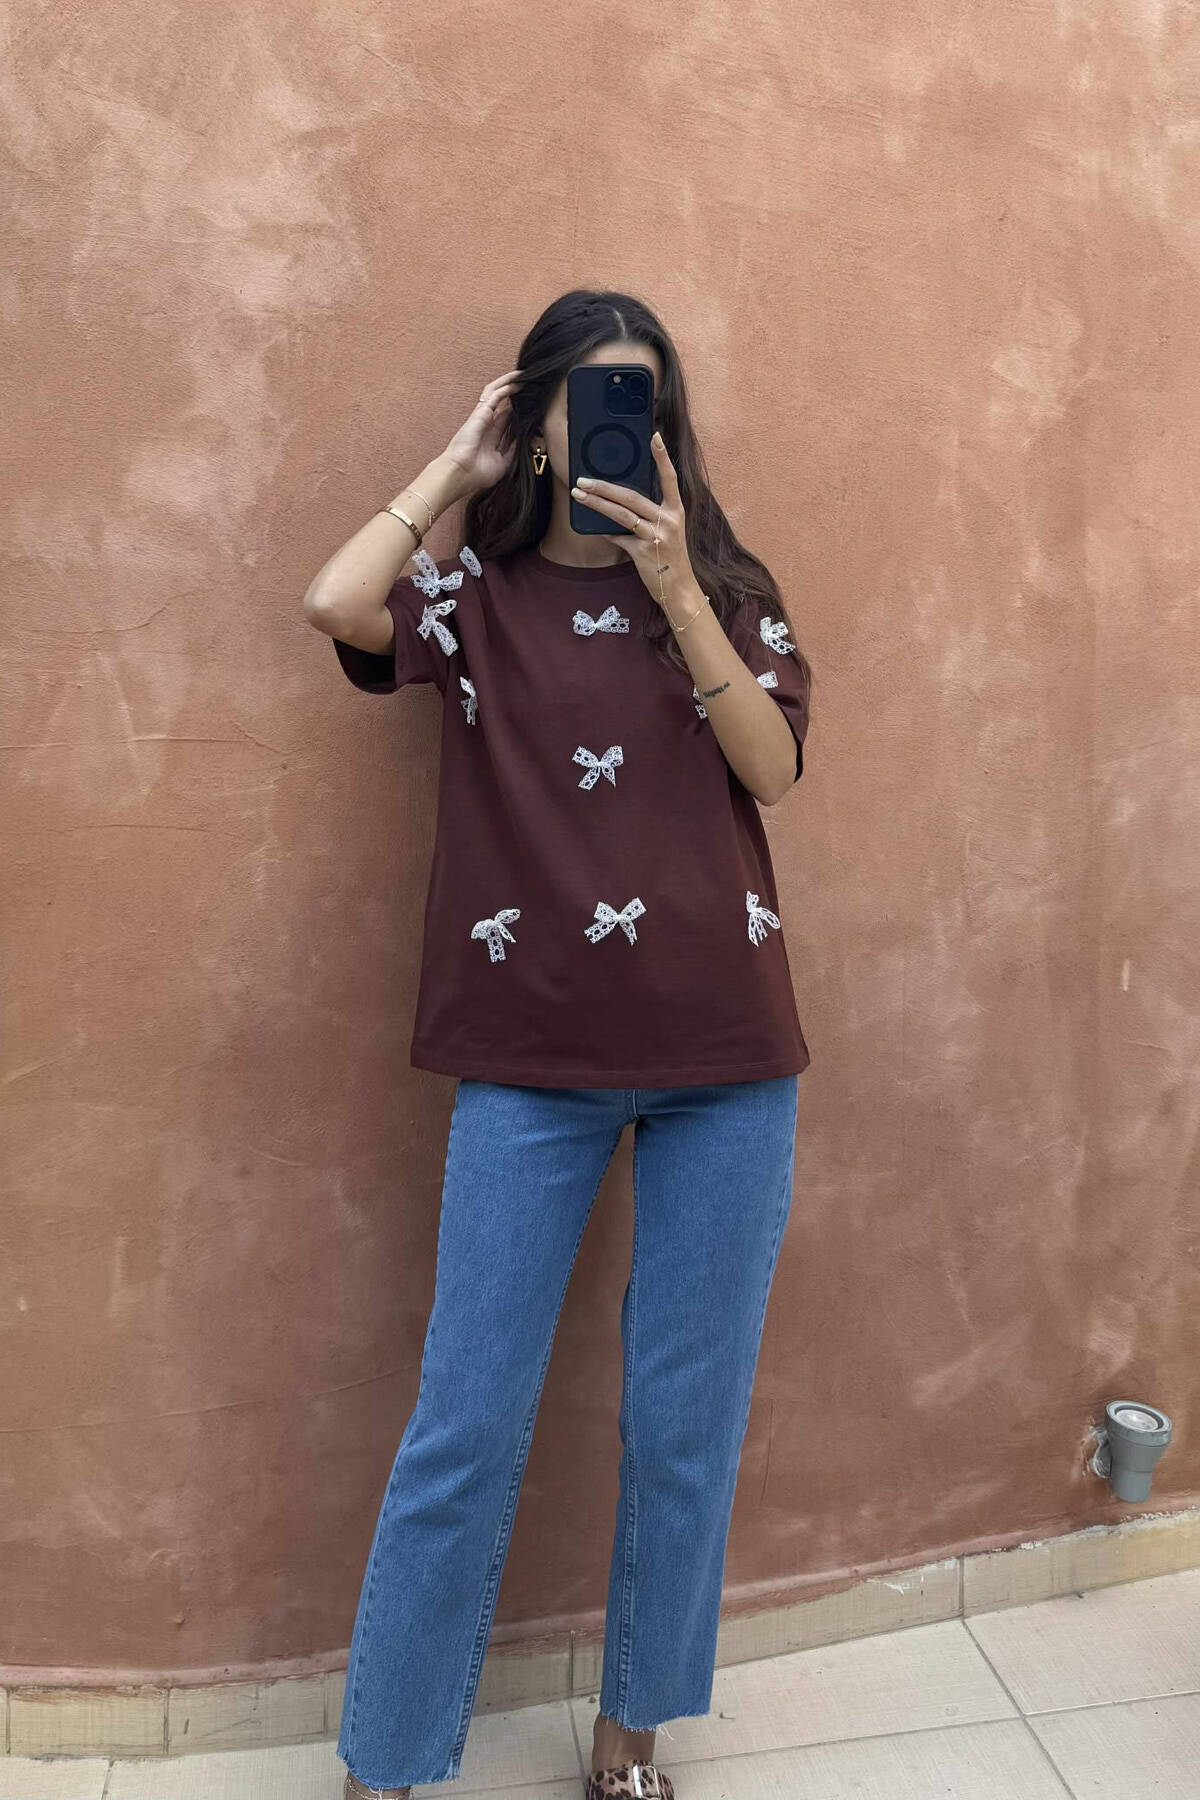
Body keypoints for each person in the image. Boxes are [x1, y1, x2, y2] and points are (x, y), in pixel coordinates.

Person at [303, 289, 815, 1800]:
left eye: (638, 399)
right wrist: (455, 468)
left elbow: (773, 769)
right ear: (536, 419)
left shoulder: (725, 587)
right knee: (464, 1424)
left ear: (667, 428)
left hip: (727, 1057)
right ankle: (387, 1765)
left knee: (683, 1423)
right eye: (584, 398)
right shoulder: (473, 601)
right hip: (527, 1062)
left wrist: (677, 586)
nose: (613, 425)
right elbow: (334, 604)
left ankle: (629, 1739)